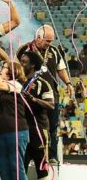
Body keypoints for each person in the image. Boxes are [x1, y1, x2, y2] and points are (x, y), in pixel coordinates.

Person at [18, 24, 73, 164]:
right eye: (47, 41)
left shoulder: (54, 50)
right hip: (29, 95)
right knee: (30, 125)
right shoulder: (25, 49)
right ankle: (28, 156)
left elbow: (61, 68)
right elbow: (17, 69)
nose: (50, 43)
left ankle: (52, 156)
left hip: (50, 96)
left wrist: (68, 83)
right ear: (38, 38)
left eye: (51, 41)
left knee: (53, 126)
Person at [0, 52, 30, 180]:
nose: (1, 69)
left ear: (11, 72)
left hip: (16, 131)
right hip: (2, 131)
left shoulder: (17, 85)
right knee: (3, 167)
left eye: (3, 67)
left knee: (16, 168)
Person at [19, 50, 55, 180]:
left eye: (24, 62)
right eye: (20, 62)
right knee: (21, 167)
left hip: (38, 130)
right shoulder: (18, 83)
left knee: (41, 168)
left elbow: (51, 105)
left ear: (33, 65)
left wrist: (34, 99)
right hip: (22, 130)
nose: (21, 64)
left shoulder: (42, 84)